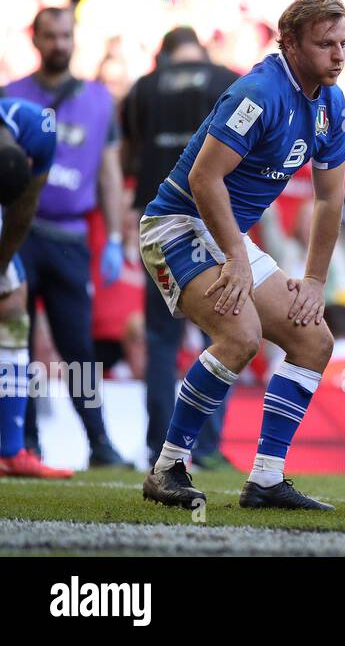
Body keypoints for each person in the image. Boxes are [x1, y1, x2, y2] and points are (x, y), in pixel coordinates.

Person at [137, 0, 345, 511]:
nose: (339, 55)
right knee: (240, 335)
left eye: (344, 42)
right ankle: (166, 468)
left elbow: (329, 198)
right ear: (291, 43)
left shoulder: (332, 101)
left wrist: (316, 280)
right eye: (326, 44)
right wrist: (236, 255)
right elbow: (204, 177)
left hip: (225, 233)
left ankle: (266, 479)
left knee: (314, 341)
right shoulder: (258, 93)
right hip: (176, 225)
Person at [6, 7, 130, 467]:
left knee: (77, 347)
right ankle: (24, 443)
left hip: (70, 239)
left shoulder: (100, 101)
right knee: (17, 345)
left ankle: (99, 442)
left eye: (66, 35)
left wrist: (115, 237)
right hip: (19, 236)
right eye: (50, 36)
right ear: (35, 40)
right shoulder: (10, 96)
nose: (59, 44)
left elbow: (110, 174)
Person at [120, 26, 239, 469]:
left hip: (160, 226)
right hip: (215, 225)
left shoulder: (143, 89)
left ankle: (159, 447)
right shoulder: (228, 81)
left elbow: (129, 157)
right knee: (227, 334)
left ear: (162, 56)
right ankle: (207, 447)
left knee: (161, 340)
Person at [0, 97, 71, 477]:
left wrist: (2, 263)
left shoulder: (37, 130)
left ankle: (11, 450)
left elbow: (25, 206)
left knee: (12, 306)